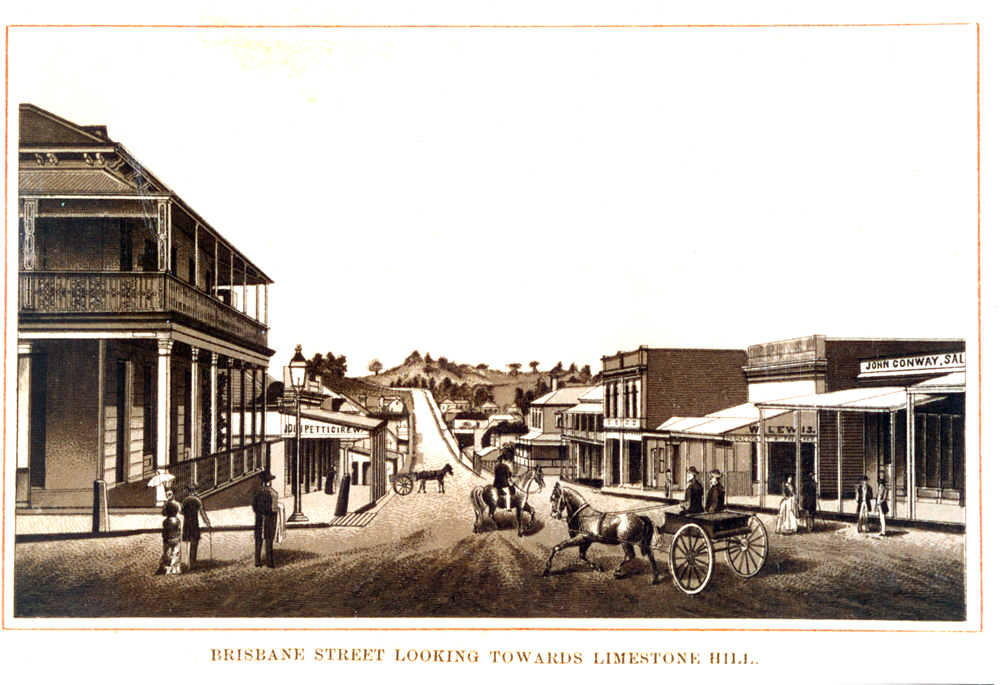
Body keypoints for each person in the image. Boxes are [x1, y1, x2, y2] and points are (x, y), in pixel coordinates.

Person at [252, 472, 280, 568]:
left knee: (258, 539)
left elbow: (254, 507)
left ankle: (257, 561)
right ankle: (269, 562)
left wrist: (260, 511)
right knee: (269, 540)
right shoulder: (273, 493)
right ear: (270, 482)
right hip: (269, 518)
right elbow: (273, 508)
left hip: (259, 517)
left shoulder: (257, 492)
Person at [180, 484, 212, 569]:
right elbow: (202, 513)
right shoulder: (198, 501)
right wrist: (208, 523)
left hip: (186, 524)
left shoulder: (185, 501)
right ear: (194, 491)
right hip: (194, 524)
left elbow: (181, 512)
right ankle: (192, 562)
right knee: (194, 543)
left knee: (187, 542)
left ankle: (187, 563)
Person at [156, 498, 182, 575]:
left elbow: (165, 531)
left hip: (168, 539)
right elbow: (179, 530)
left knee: (167, 553)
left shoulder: (166, 521)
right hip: (176, 538)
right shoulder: (177, 520)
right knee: (176, 553)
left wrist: (164, 538)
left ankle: (166, 568)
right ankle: (175, 569)